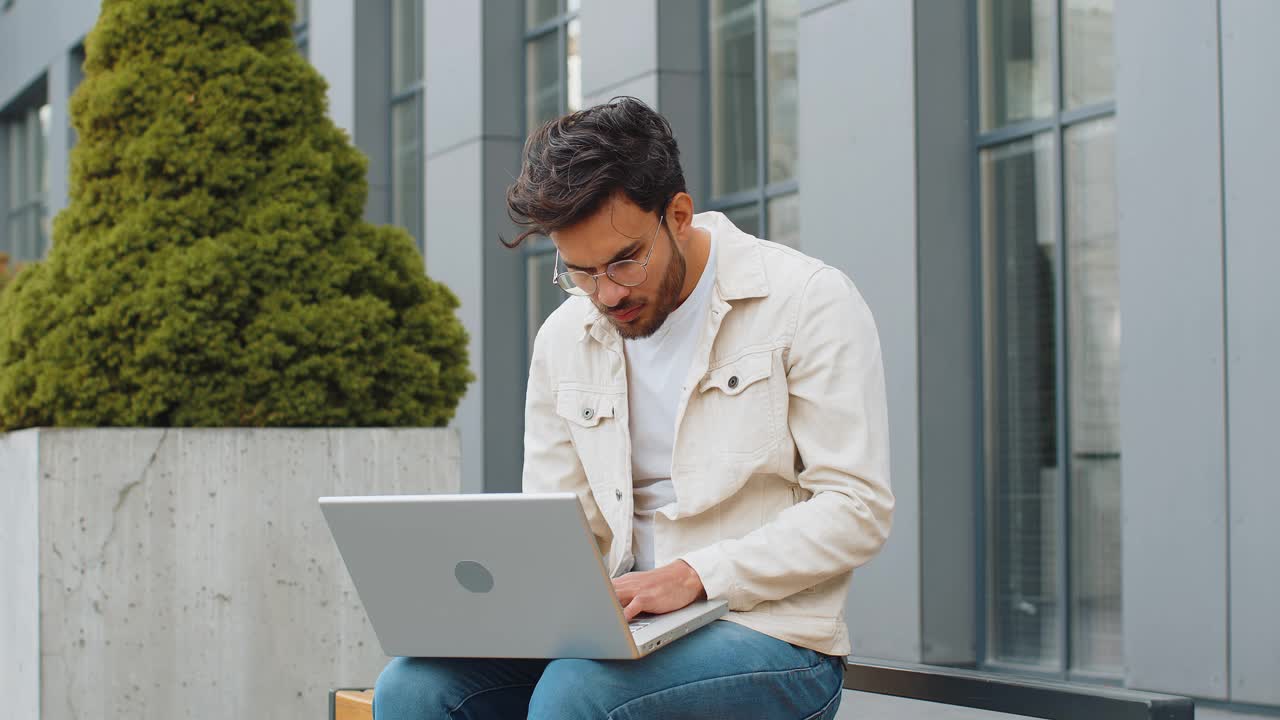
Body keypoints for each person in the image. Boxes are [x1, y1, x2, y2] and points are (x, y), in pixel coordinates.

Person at [373, 97, 893, 719]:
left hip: (768, 634)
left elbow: (855, 507)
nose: (607, 293)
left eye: (625, 261)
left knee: (579, 696)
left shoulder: (807, 301)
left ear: (678, 215)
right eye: (581, 272)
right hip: (616, 632)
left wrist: (692, 575)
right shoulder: (565, 337)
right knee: (414, 687)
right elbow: (557, 524)